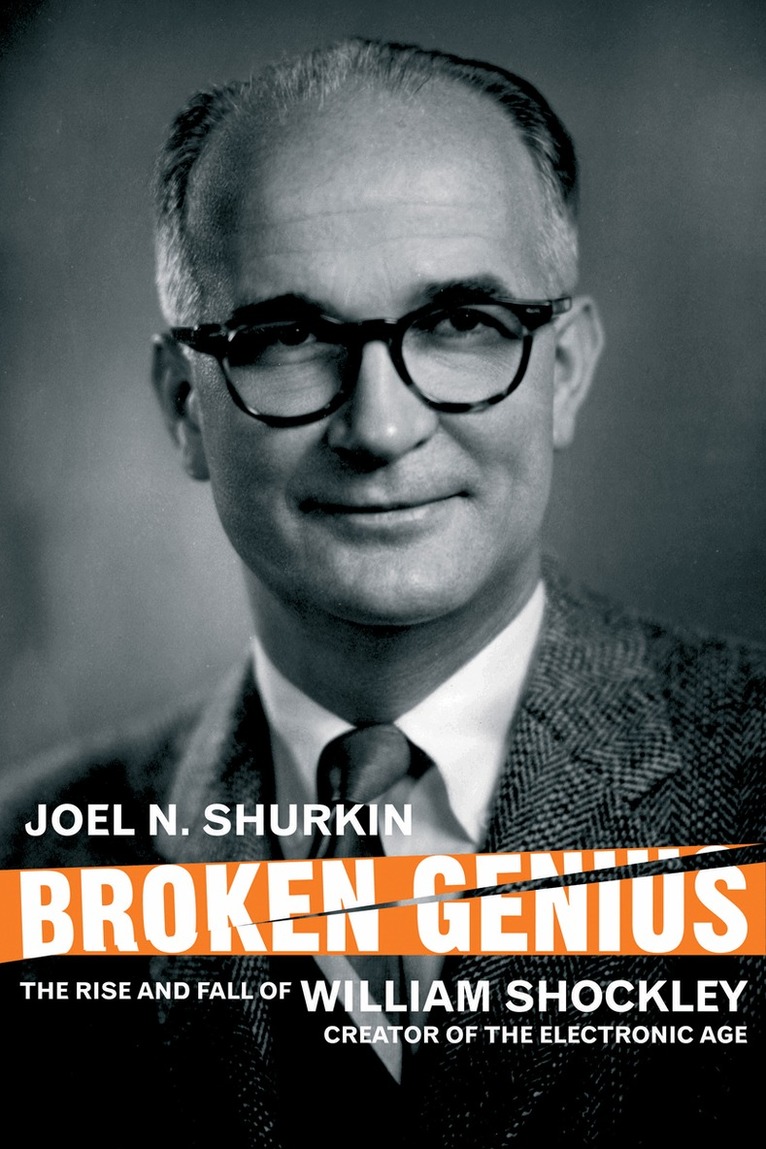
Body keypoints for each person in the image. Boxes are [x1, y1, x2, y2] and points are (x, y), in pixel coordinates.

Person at [1, 38, 763, 1147]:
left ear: (563, 372)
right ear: (183, 409)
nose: (380, 425)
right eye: (288, 336)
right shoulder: (25, 866)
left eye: (459, 325)